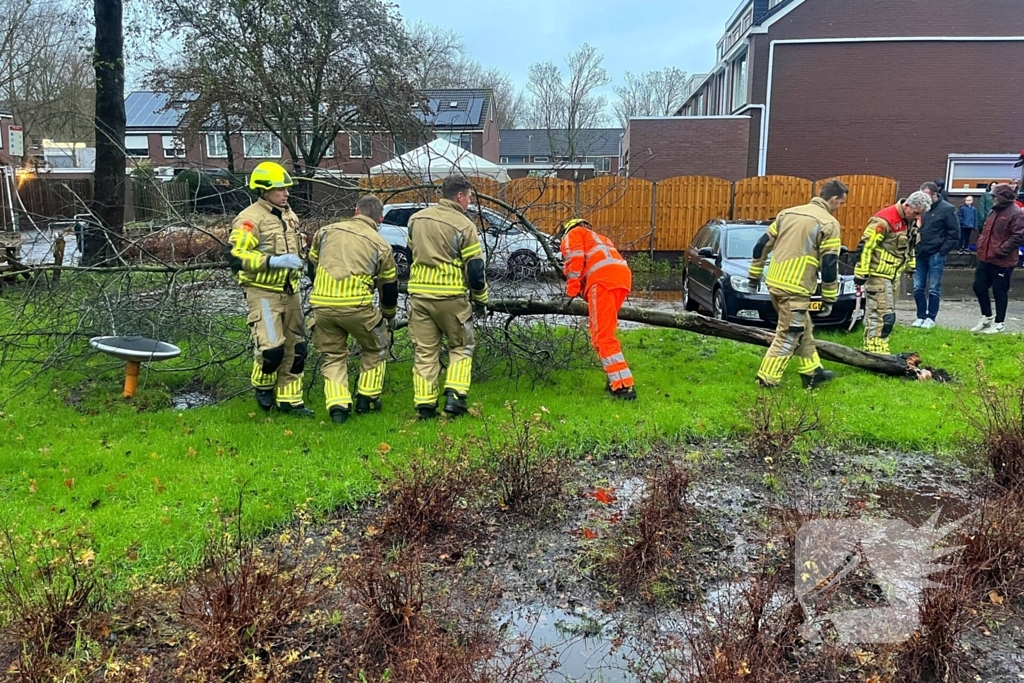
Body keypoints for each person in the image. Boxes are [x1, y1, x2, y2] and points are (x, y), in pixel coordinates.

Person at [227, 161, 313, 416]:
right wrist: (271, 262)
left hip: (291, 291)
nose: (286, 193)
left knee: (296, 349)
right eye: (279, 189)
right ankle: (262, 385)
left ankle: (291, 401)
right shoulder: (250, 219)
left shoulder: (290, 215)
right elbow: (235, 257)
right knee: (272, 349)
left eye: (286, 188)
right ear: (263, 190)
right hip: (262, 291)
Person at [748, 179, 848, 389]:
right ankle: (767, 378)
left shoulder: (787, 214)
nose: (840, 208)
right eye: (841, 203)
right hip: (796, 287)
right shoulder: (829, 223)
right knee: (789, 334)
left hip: (775, 282)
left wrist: (754, 276)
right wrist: (829, 297)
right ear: (834, 199)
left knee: (804, 327)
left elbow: (761, 246)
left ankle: (812, 372)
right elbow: (829, 265)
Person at [307, 194, 398, 424]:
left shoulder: (326, 232)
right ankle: (367, 398)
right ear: (380, 218)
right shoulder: (381, 244)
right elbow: (388, 287)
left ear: (356, 210)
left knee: (333, 355)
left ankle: (338, 406)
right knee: (376, 346)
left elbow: (312, 266)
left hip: (323, 305)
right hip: (357, 307)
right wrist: (388, 315)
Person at [407, 176, 488, 420]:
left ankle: (424, 405)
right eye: (469, 197)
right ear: (460, 196)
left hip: (419, 296)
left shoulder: (416, 219)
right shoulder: (464, 225)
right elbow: (474, 269)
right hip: (451, 296)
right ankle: (455, 396)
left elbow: (413, 255)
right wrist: (480, 299)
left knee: (425, 351)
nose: (469, 202)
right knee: (461, 346)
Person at [557, 217, 636, 400]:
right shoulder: (600, 238)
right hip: (620, 281)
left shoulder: (574, 234)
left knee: (603, 337)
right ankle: (615, 380)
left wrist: (571, 291)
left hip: (602, 282)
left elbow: (574, 263)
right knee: (600, 333)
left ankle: (623, 386)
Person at [854, 191, 933, 354]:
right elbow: (866, 247)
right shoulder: (884, 219)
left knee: (887, 313)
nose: (917, 217)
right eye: (916, 213)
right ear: (907, 205)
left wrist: (911, 266)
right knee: (881, 313)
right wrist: (861, 274)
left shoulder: (911, 220)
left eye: (921, 214)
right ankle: (874, 350)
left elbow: (910, 245)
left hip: (894, 275)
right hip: (878, 273)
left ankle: (880, 345)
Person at [971, 184, 1024, 334]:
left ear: (1002, 197)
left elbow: (1018, 236)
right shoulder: (993, 211)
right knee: (978, 287)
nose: (992, 198)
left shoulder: (1016, 213)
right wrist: (981, 246)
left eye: (994, 196)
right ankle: (987, 317)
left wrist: (1001, 251)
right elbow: (986, 232)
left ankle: (999, 322)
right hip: (986, 257)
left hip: (1003, 260)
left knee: (999, 291)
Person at [911, 182, 959, 329]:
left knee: (933, 287)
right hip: (920, 252)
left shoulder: (947, 209)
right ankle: (920, 316)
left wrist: (942, 251)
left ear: (934, 194)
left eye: (926, 196)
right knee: (918, 286)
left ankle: (931, 317)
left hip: (936, 253)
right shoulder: (921, 209)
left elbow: (954, 233)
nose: (923, 200)